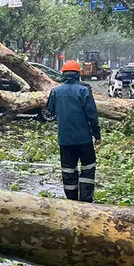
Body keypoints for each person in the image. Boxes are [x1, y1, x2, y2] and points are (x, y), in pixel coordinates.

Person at [46, 60, 101, 202]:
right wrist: (97, 135)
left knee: (68, 171)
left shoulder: (56, 92)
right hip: (84, 139)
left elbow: (49, 111)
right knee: (88, 169)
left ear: (63, 74)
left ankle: (71, 201)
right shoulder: (84, 90)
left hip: (65, 140)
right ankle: (86, 201)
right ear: (78, 74)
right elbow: (92, 116)